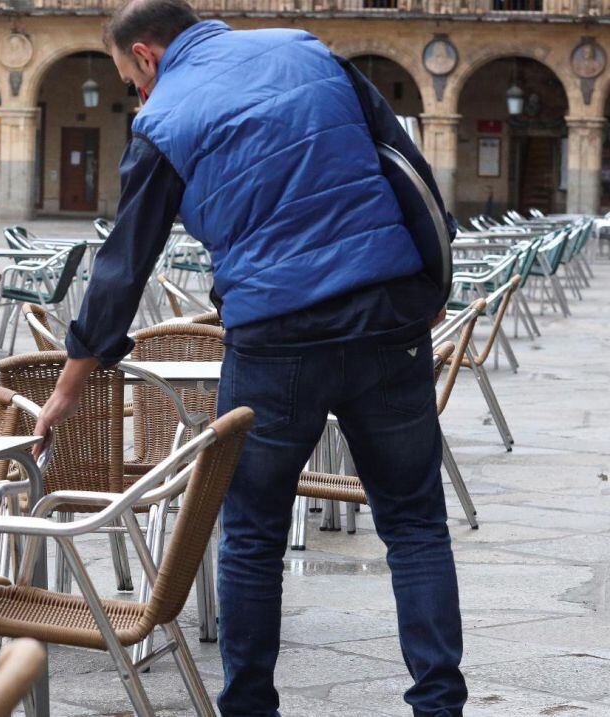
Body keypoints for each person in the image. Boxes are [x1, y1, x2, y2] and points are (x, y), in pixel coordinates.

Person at [29, 1, 468, 715]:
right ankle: (440, 704)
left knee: (254, 534)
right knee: (415, 523)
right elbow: (406, 167)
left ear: (145, 55)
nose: (139, 95)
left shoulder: (165, 116)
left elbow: (123, 262)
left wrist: (73, 380)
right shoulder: (306, 50)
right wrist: (430, 283)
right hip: (387, 316)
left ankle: (250, 706)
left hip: (275, 335)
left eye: (130, 79)